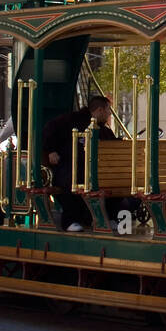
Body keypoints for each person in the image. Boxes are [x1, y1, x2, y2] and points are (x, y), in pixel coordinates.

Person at [42, 96, 118, 232]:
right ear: (100, 110)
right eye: (108, 110)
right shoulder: (72, 120)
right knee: (71, 180)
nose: (109, 114)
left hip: (96, 170)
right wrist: (51, 150)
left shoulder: (103, 130)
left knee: (115, 180)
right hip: (69, 165)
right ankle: (70, 220)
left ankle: (108, 217)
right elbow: (50, 128)